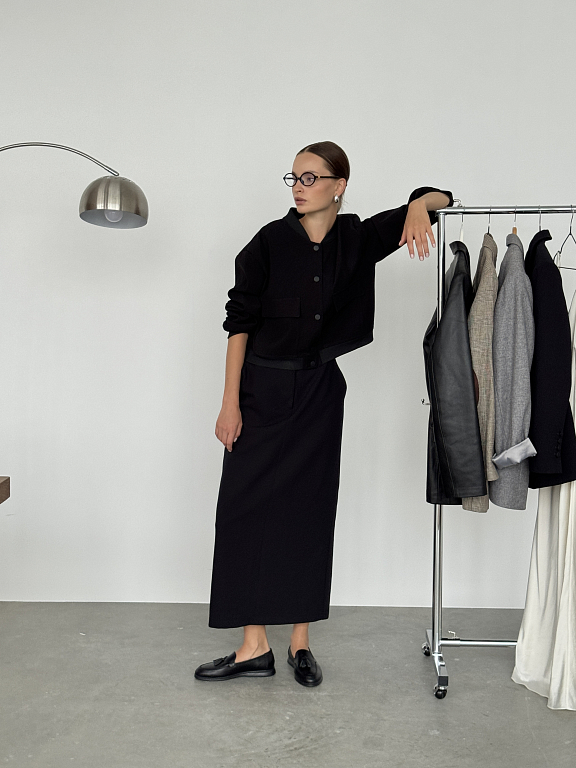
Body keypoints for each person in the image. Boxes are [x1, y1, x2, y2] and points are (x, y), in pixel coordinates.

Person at [194, 141, 453, 686]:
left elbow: (442, 198)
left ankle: (300, 643)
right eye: (294, 177)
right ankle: (252, 645)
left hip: (318, 390)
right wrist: (229, 402)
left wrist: (415, 206)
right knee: (243, 510)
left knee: (309, 511)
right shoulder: (267, 243)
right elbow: (238, 324)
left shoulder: (358, 238)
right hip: (260, 390)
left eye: (310, 177)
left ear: (339, 185)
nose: (299, 187)